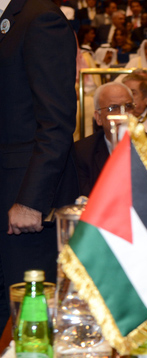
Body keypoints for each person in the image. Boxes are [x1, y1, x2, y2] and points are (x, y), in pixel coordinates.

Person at [0, 0, 79, 330]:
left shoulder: (40, 17)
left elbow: (56, 123)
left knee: (31, 324)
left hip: (25, 205)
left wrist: (31, 201)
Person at [75, 82, 147, 196]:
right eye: (113, 108)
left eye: (128, 107)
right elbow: (85, 199)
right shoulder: (82, 152)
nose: (122, 115)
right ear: (98, 118)